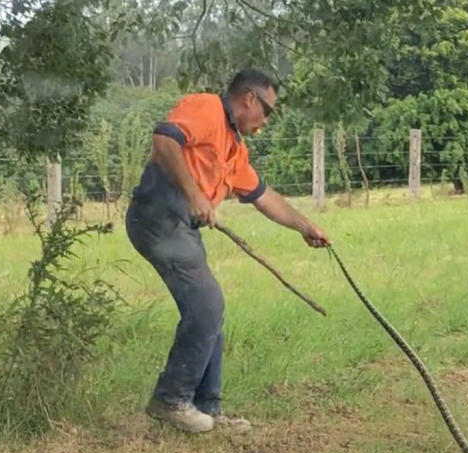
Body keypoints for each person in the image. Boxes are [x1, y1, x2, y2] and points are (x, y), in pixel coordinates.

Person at [125, 69, 329, 434]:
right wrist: (194, 194)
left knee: (210, 312)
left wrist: (305, 228)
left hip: (180, 226)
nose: (265, 122)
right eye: (267, 111)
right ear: (250, 98)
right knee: (207, 304)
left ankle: (207, 406)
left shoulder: (234, 149)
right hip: (157, 216)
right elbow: (164, 141)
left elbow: (264, 198)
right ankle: (171, 400)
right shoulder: (206, 109)